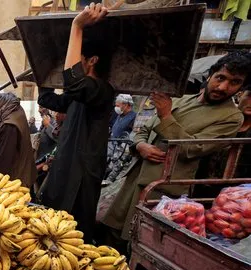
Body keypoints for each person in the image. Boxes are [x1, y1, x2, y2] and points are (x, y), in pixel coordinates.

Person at [102, 51, 251, 241]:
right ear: (210, 75)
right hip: (136, 177)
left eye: (234, 82)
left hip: (163, 190)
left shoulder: (230, 117)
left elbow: (193, 148)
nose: (223, 87)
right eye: (220, 78)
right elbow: (144, 129)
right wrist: (140, 146)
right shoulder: (181, 100)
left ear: (240, 87)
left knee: (141, 240)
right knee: (113, 234)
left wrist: (165, 115)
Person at [37, 3, 115, 243]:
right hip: (65, 169)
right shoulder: (78, 96)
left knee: (73, 236)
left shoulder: (101, 91)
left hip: (81, 176)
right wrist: (44, 72)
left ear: (92, 60)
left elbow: (73, 81)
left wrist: (77, 26)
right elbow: (49, 99)